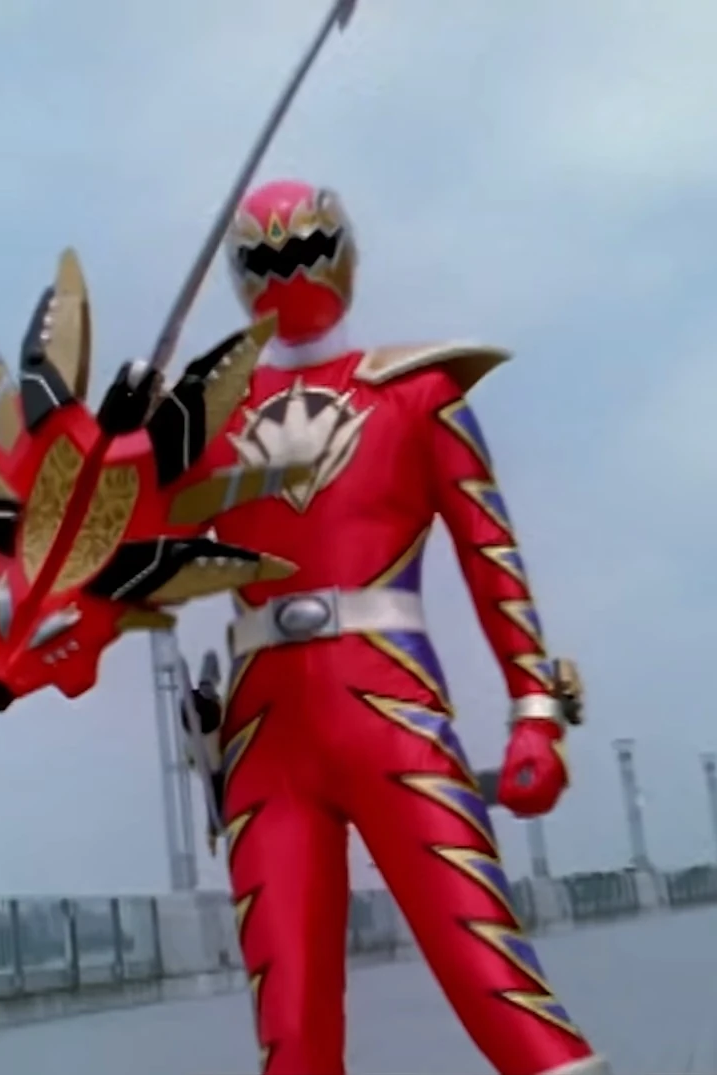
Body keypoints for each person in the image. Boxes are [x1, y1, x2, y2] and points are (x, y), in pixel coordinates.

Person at [115, 178, 610, 1075]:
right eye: (262, 258)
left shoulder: (417, 394)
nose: (285, 271)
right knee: (291, 1030)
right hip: (264, 733)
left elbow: (489, 556)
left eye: (305, 249)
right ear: (237, 274)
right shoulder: (209, 421)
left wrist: (535, 709)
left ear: (342, 253)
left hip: (388, 705)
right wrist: (125, 438)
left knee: (491, 979)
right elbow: (113, 545)